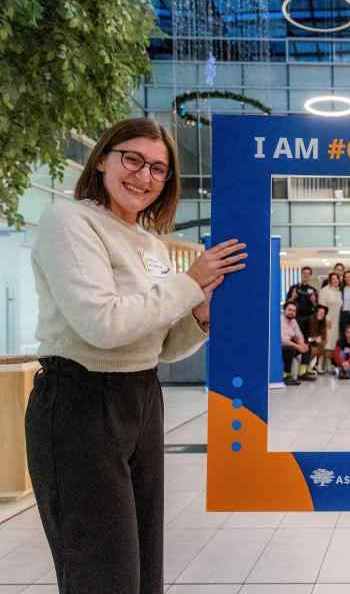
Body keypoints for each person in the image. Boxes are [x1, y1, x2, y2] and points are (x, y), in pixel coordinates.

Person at [25, 117, 247, 593]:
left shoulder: (150, 243)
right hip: (81, 403)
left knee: (144, 570)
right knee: (103, 573)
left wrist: (199, 316)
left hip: (141, 397)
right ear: (103, 157)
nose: (144, 177)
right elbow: (102, 325)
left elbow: (162, 346)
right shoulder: (70, 221)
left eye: (159, 169)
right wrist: (188, 282)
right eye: (133, 160)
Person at [281, 301, 314, 385]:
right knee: (290, 349)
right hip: (279, 347)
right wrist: (297, 346)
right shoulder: (280, 320)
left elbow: (299, 336)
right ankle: (286, 376)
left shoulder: (293, 321)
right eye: (289, 310)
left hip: (289, 345)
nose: (292, 312)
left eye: (294, 311)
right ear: (284, 310)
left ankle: (302, 372)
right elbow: (283, 340)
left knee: (306, 346)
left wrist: (302, 345)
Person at [318, 271, 343, 373]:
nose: (335, 280)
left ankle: (328, 364)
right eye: (333, 279)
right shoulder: (324, 290)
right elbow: (321, 307)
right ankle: (319, 364)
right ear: (330, 280)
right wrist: (325, 320)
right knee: (325, 343)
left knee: (332, 344)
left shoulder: (339, 292)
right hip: (328, 321)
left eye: (337, 278)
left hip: (337, 321)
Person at [290, 266, 317, 336]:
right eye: (304, 273)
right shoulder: (294, 288)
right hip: (295, 318)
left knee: (307, 338)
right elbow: (287, 303)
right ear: (301, 274)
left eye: (308, 274)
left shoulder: (313, 290)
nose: (306, 275)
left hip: (308, 319)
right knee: (295, 337)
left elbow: (316, 307)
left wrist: (313, 301)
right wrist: (293, 297)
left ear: (310, 276)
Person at [305, 304, 328, 376]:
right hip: (305, 341)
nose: (322, 314)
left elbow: (323, 336)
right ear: (316, 312)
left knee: (323, 344)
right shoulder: (309, 320)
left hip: (313, 342)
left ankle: (312, 365)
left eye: (323, 313)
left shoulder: (322, 322)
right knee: (315, 349)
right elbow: (306, 336)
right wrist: (315, 339)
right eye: (320, 312)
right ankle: (306, 367)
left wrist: (321, 340)